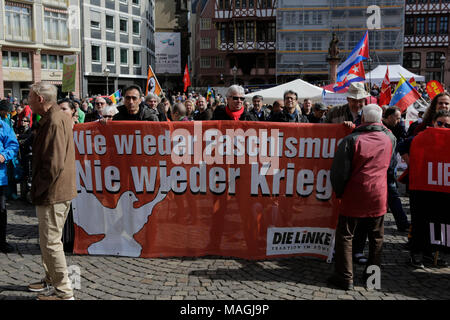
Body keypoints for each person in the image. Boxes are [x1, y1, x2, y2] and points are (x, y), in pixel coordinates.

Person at [328, 104, 396, 290]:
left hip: (355, 192)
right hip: (379, 193)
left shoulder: (351, 139)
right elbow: (391, 165)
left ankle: (345, 277)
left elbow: (339, 172)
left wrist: (339, 192)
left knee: (345, 235)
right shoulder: (390, 138)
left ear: (363, 119)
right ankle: (373, 279)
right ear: (381, 120)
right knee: (376, 238)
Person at [27, 82, 77, 300]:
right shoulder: (55, 117)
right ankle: (51, 279)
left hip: (53, 192)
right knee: (48, 240)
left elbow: (53, 165)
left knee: (51, 242)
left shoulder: (55, 120)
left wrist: (38, 188)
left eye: (29, 97)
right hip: (54, 191)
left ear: (40, 99)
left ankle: (64, 292)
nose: (27, 101)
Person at [398, 109, 450, 268]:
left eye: (447, 124)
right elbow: (402, 145)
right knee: (421, 221)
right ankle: (416, 254)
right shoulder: (420, 138)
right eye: (440, 123)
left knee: (439, 221)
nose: (442, 126)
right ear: (433, 122)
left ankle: (430, 254)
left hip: (443, 188)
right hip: (422, 188)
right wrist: (412, 163)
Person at [382, 106, 410, 232]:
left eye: (400, 118)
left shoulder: (398, 127)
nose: (399, 121)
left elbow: (403, 139)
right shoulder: (380, 128)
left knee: (393, 195)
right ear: (389, 117)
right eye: (397, 118)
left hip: (390, 167)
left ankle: (402, 223)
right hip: (380, 167)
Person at [0, 100, 19, 253]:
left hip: (0, 177)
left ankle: (1, 242)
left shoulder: (3, 126)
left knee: (1, 210)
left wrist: (4, 155)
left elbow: (13, 144)